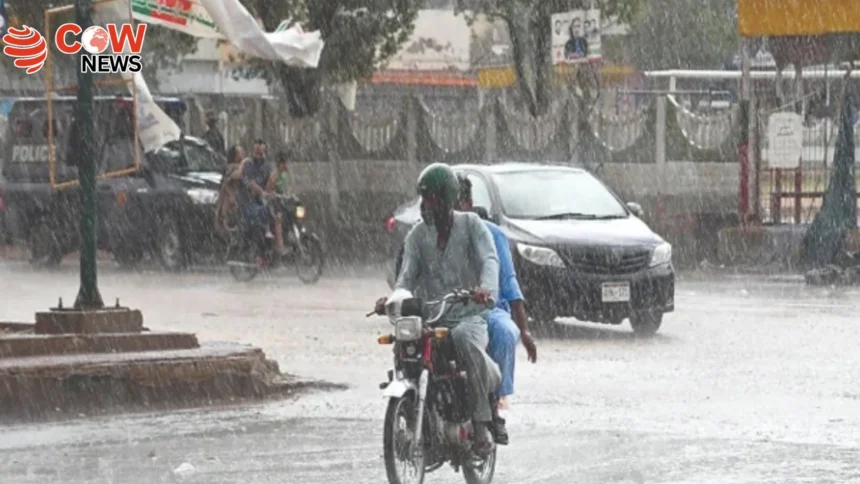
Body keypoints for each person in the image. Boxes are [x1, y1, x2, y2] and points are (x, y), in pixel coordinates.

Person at [375, 163, 501, 456]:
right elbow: (406, 278)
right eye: (423, 199)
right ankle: (411, 408)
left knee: (463, 341)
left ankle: (481, 423)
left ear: (447, 199)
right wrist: (393, 299)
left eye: (432, 198)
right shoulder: (417, 237)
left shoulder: (472, 226)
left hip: (469, 316)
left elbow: (489, 260)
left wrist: (485, 290)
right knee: (403, 343)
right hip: (430, 317)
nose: (426, 205)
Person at [457, 174, 537, 446]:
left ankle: (493, 408)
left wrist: (524, 331)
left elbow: (508, 284)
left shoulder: (491, 234)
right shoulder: (429, 233)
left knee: (504, 333)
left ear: (467, 203)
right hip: (445, 309)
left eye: (454, 202)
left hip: (486, 310)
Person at [238, 139, 280, 259]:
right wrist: (261, 192)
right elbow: (249, 183)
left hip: (262, 200)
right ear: (253, 151)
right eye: (257, 151)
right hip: (248, 202)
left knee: (278, 212)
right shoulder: (247, 164)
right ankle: (260, 252)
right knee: (262, 212)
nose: (259, 155)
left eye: (261, 152)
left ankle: (278, 247)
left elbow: (271, 182)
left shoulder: (267, 166)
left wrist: (274, 191)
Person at [215, 145, 246, 234]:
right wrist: (231, 196)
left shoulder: (243, 165)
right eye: (240, 152)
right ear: (235, 155)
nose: (243, 153)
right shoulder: (232, 167)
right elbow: (226, 183)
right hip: (229, 197)